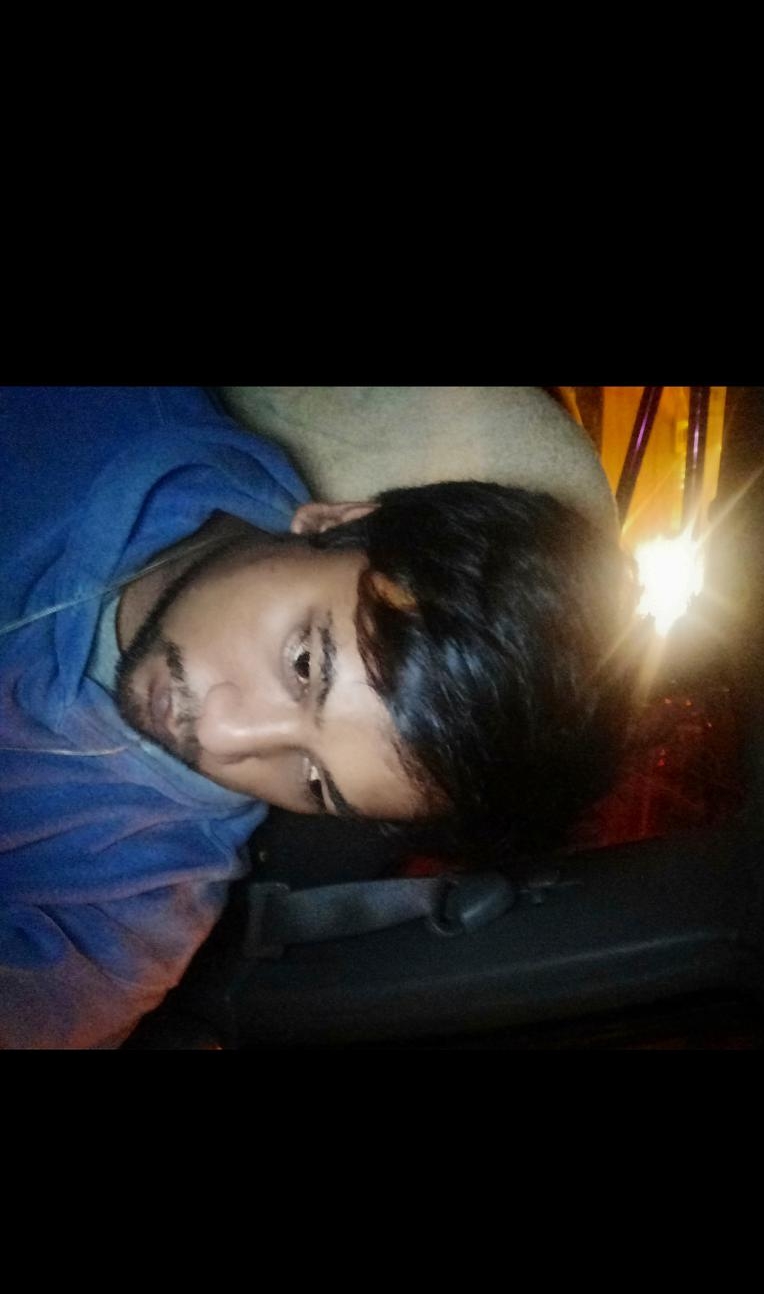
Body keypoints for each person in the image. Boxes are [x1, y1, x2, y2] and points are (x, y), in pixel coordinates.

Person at [0, 386, 636, 1050]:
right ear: (334, 522)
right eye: (304, 663)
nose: (221, 737)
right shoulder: (89, 412)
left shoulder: (133, 907)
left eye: (313, 781)